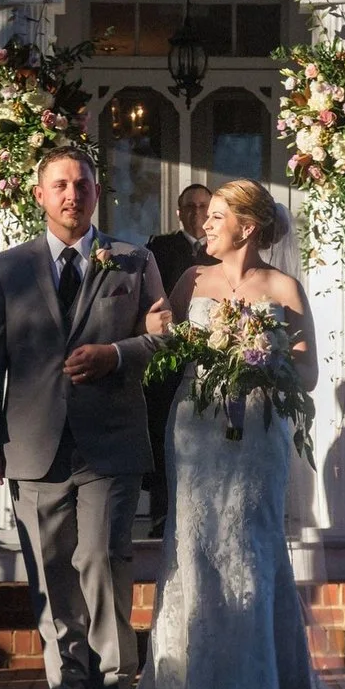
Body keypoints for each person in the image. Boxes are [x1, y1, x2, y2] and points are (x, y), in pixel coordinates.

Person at [137, 179, 345, 689]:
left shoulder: (283, 287)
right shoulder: (191, 281)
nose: (205, 225)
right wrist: (154, 330)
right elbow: (163, 347)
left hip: (257, 431)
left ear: (247, 226)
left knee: (251, 547)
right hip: (195, 428)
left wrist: (262, 357)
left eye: (215, 216)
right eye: (205, 217)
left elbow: (306, 376)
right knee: (193, 547)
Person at [0, 146, 167, 689]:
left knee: (103, 560)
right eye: (59, 185)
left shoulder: (133, 261)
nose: (71, 195)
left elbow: (165, 340)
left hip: (111, 440)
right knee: (51, 572)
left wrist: (116, 354)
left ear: (97, 193)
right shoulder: (9, 268)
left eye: (81, 184)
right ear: (40, 195)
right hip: (33, 443)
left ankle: (115, 683)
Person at [142, 184, 219, 538]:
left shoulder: (224, 251)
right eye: (189, 206)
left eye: (204, 205)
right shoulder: (159, 248)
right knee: (162, 437)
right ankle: (161, 516)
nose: (197, 212)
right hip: (168, 364)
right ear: (179, 212)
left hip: (214, 365)